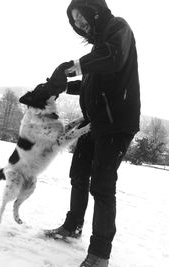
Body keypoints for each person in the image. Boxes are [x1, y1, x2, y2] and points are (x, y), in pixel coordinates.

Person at [43, 0, 141, 266]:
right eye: (74, 21)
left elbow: (112, 57)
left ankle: (100, 254)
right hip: (94, 121)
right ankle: (72, 227)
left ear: (93, 10)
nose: (78, 23)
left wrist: (69, 67)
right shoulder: (98, 45)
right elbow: (92, 79)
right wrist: (63, 85)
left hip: (117, 122)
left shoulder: (118, 28)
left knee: (102, 185)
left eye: (80, 16)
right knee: (78, 175)